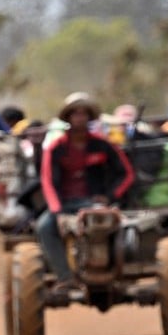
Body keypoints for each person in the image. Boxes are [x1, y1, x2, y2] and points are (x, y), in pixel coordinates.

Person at [37, 92, 135, 292]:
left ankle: (117, 270)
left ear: (89, 117)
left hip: (94, 202)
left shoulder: (103, 144)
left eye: (83, 114)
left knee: (118, 227)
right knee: (44, 227)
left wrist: (110, 197)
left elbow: (126, 174)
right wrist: (57, 212)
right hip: (64, 204)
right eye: (75, 114)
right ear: (68, 118)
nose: (80, 118)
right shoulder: (55, 148)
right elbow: (47, 181)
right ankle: (65, 277)